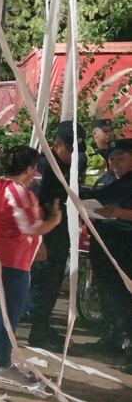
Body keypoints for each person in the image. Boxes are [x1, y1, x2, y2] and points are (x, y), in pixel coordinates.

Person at [0, 145, 62, 384]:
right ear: (29, 169)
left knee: (13, 308)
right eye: (35, 169)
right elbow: (31, 227)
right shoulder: (20, 192)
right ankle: (3, 364)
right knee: (13, 312)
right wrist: (54, 221)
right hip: (11, 259)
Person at [28, 120, 86, 350]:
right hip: (45, 235)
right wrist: (39, 239)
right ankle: (38, 331)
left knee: (51, 281)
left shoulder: (65, 166)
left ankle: (42, 327)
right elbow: (33, 204)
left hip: (58, 232)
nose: (74, 156)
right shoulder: (45, 167)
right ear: (56, 144)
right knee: (43, 281)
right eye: (70, 150)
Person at [85, 138, 132, 373]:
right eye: (112, 159)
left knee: (127, 300)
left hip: (126, 249)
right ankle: (112, 338)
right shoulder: (109, 180)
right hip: (105, 247)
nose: (115, 163)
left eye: (121, 158)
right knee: (109, 296)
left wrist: (119, 213)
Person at [84, 118, 114, 188]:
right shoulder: (85, 153)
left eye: (111, 131)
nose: (109, 134)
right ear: (94, 134)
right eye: (105, 131)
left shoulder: (116, 151)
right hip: (90, 192)